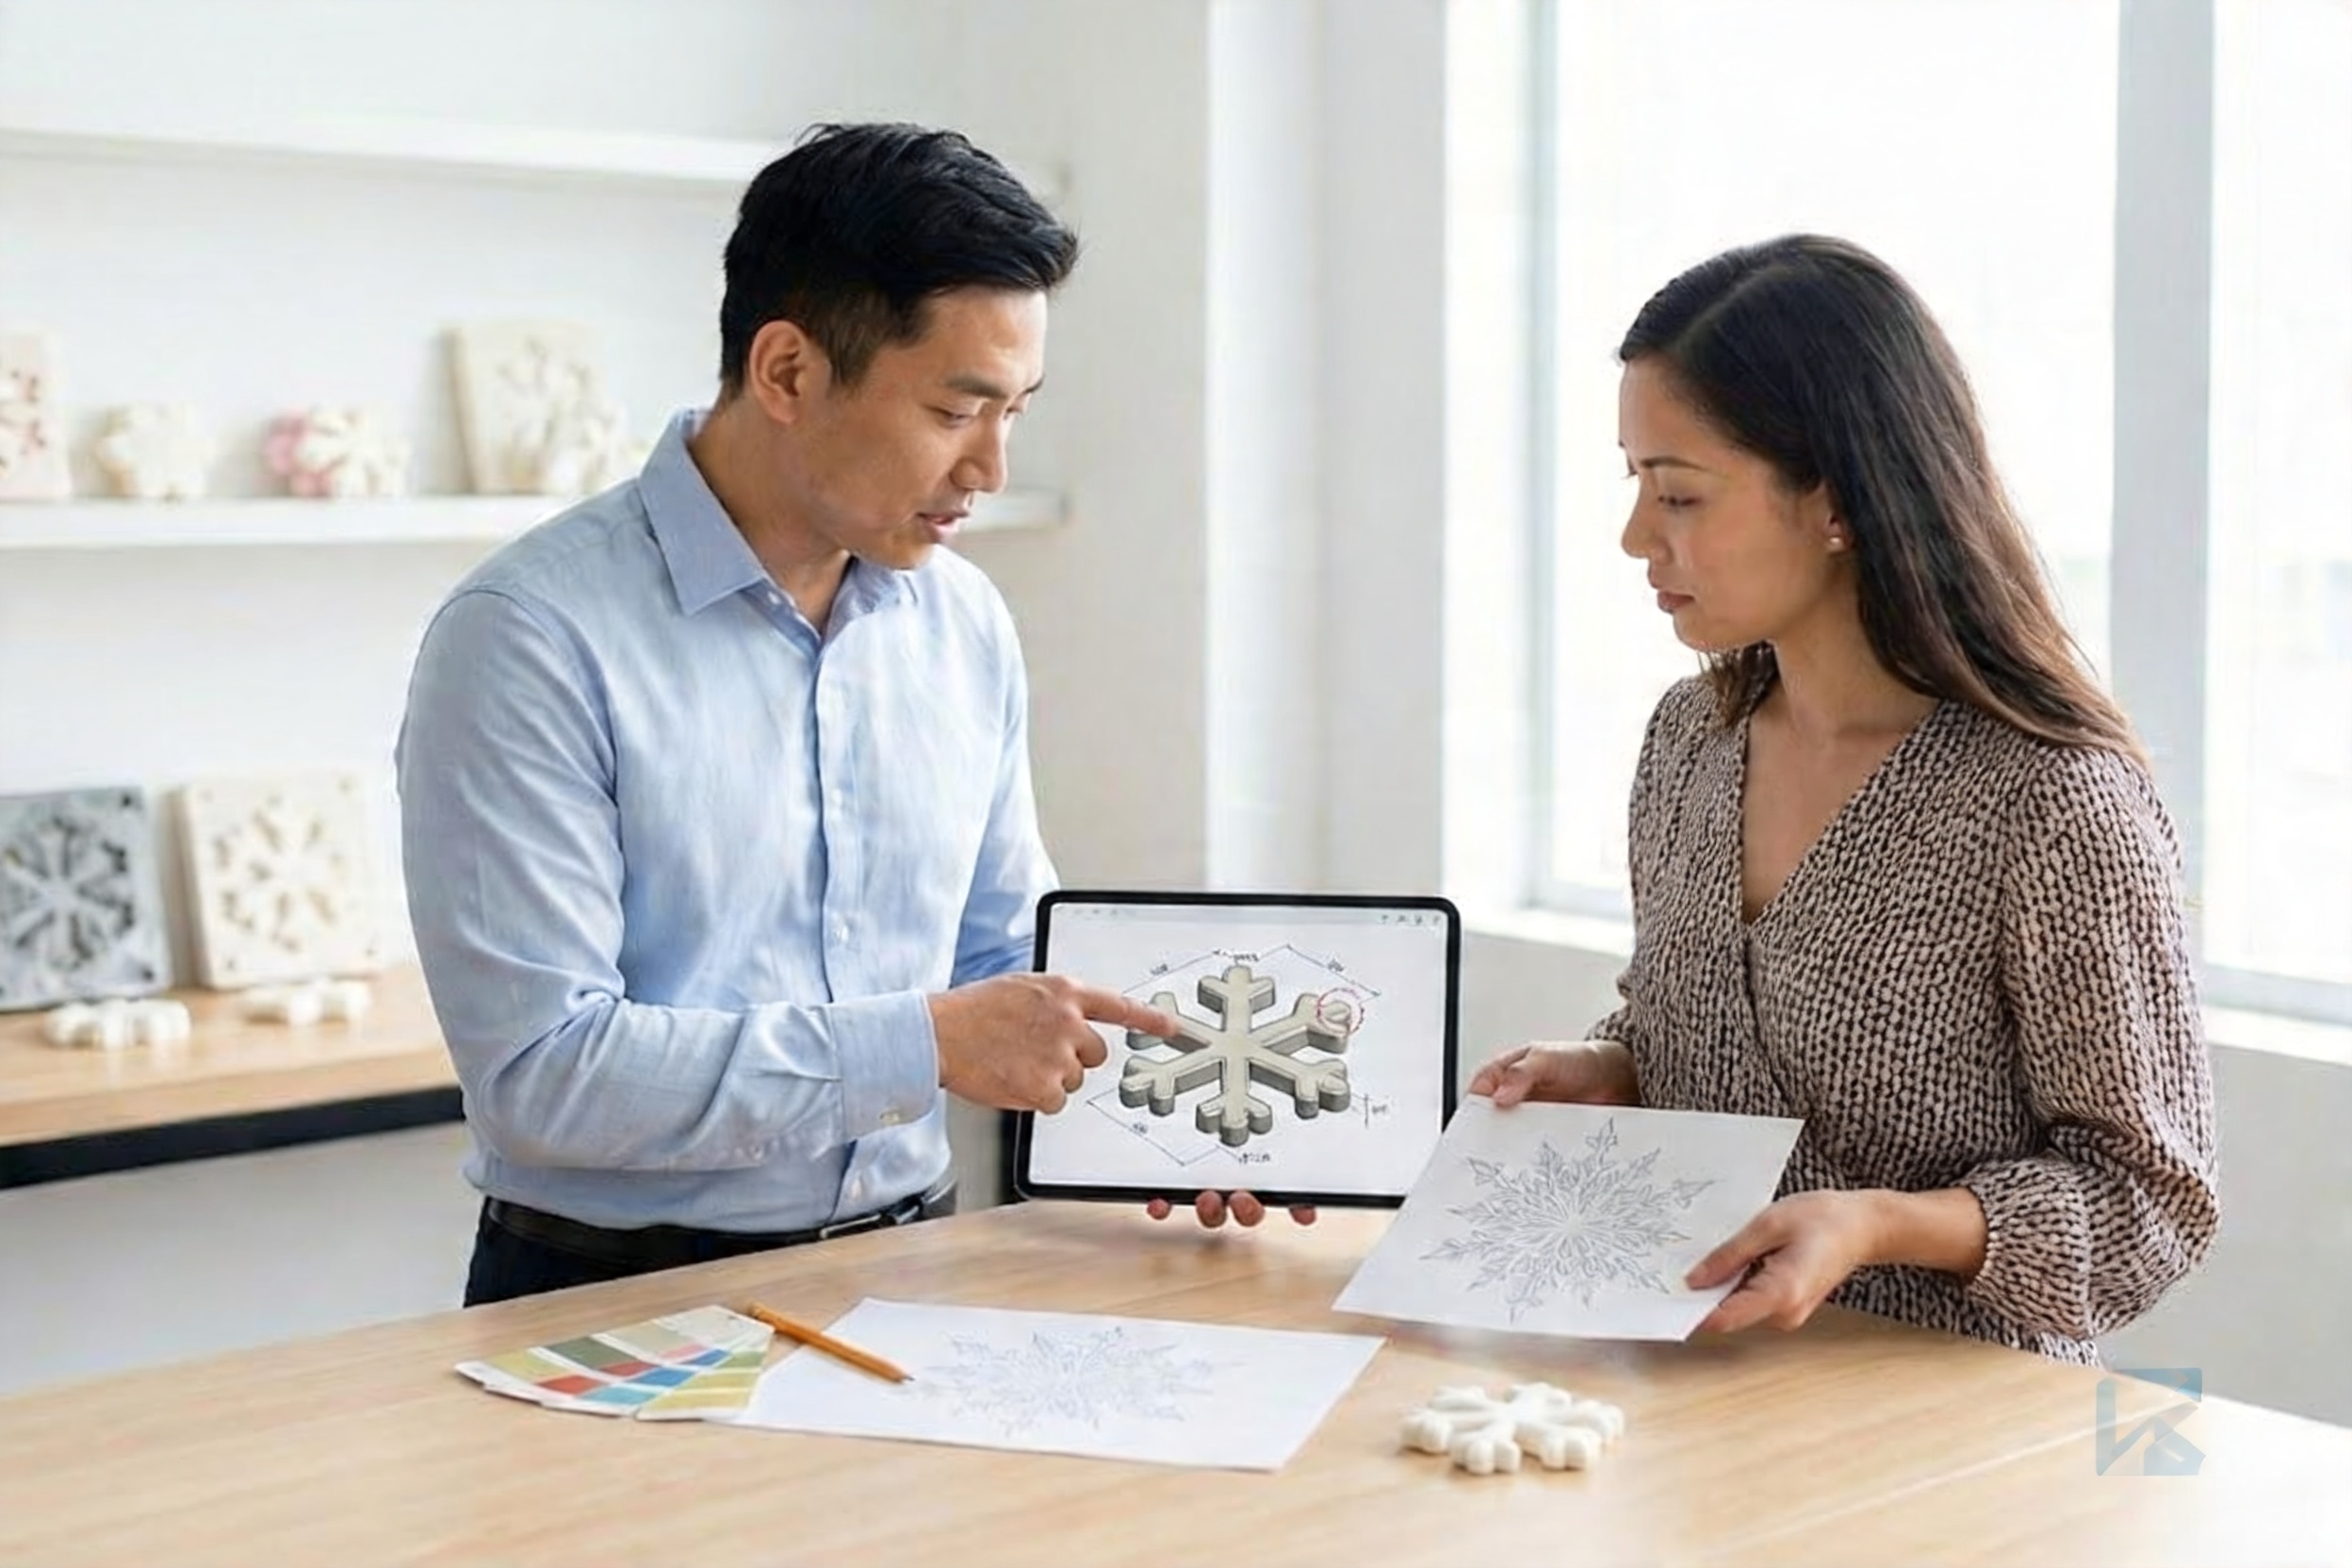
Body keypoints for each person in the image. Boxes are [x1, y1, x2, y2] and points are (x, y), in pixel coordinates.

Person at [399, 123, 1280, 1309]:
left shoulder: (961, 621)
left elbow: (1003, 958)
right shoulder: (528, 637)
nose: (991, 469)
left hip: (917, 1264)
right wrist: (921, 1042)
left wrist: (1197, 1121)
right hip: (612, 1297)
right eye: (956, 409)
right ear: (788, 372)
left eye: (1016, 409)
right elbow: (543, 1072)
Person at [1469, 235, 2218, 1364]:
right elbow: (1715, 1022)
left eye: (1677, 493)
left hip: (1948, 1447)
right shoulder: (1689, 741)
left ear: (1835, 497)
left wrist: (1879, 1223)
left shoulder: (2053, 804)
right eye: (1634, 484)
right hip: (1691, 1405)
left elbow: (2148, 1207)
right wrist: (1618, 1064)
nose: (1636, 538)